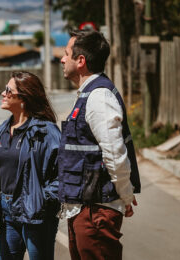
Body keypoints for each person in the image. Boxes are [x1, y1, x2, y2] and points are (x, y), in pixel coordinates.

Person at [57, 29, 141, 260]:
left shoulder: (99, 97)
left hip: (96, 211)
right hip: (86, 208)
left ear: (81, 61)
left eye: (66, 54)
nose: (62, 59)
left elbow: (115, 154)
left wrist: (125, 196)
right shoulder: (89, 94)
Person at [0, 71, 61, 260]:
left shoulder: (46, 132)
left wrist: (41, 199)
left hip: (36, 214)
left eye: (8, 90)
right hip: (6, 213)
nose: (3, 93)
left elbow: (62, 174)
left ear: (24, 96)